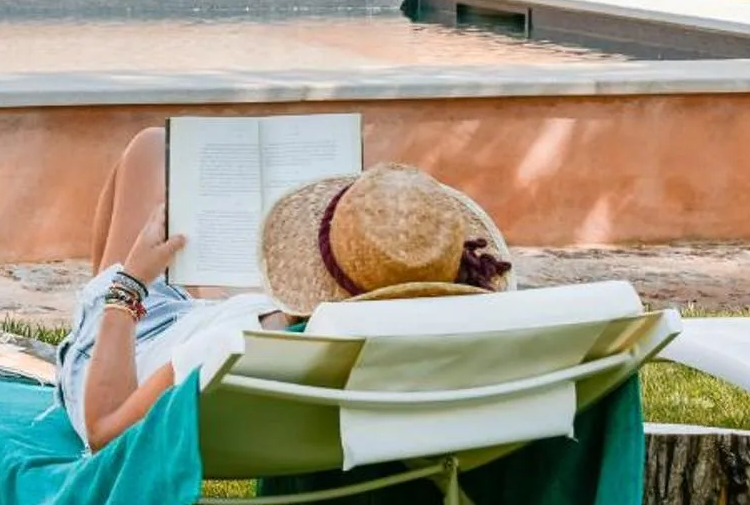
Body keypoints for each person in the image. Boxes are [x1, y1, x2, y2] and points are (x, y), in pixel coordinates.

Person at [56, 127, 513, 450]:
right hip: (213, 324)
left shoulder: (229, 349)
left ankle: (83, 330)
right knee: (157, 158)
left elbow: (105, 431)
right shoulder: (421, 339)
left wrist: (129, 282)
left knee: (149, 148)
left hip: (130, 350)